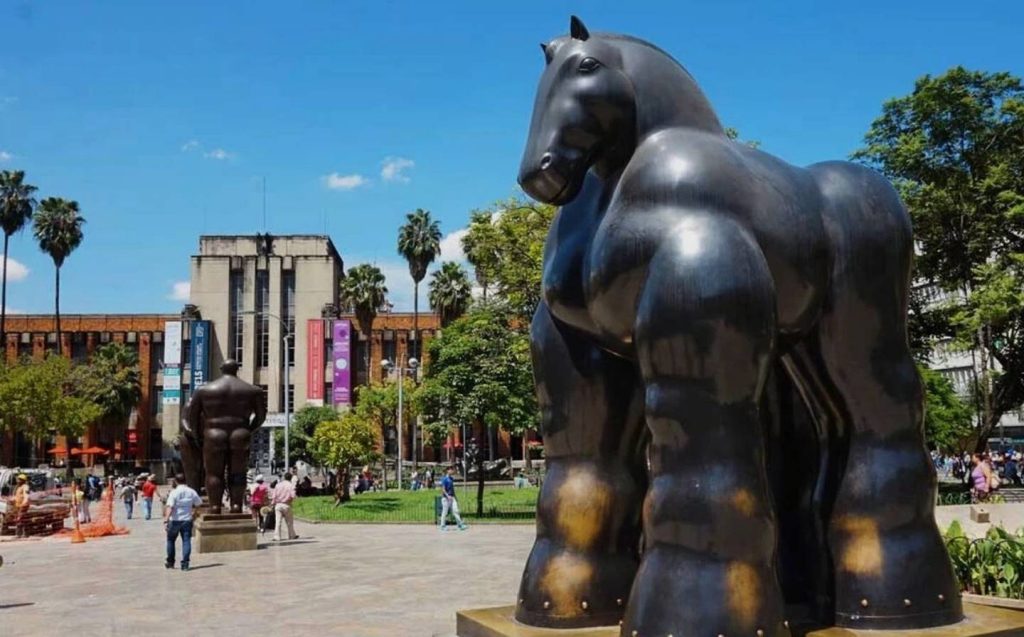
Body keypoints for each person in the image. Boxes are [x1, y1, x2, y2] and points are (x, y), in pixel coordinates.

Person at [164, 473, 202, 571]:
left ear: (175, 481)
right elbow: (198, 503)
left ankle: (170, 562)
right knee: (186, 541)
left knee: (170, 541)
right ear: (186, 480)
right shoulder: (191, 492)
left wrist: (166, 520)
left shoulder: (174, 492)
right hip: (187, 519)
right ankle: (185, 563)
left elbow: (170, 507)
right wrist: (194, 513)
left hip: (175, 520)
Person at [271, 472, 298, 541]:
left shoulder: (278, 485)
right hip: (287, 504)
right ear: (291, 478)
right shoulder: (291, 486)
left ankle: (277, 536)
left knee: (278, 522)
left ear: (284, 477)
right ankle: (292, 535)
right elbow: (293, 496)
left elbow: (274, 496)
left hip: (278, 505)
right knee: (289, 522)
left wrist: (272, 504)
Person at [439, 466, 467, 531]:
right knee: (445, 512)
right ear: (447, 470)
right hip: (445, 498)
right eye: (451, 470)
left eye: (452, 470)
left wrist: (455, 497)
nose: (452, 471)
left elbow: (452, 489)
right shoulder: (444, 479)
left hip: (452, 497)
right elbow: (443, 489)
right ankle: (442, 525)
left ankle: (460, 525)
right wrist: (447, 495)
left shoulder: (451, 479)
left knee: (455, 510)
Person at [13, 474, 31, 538]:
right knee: (22, 519)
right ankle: (26, 534)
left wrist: (24, 504)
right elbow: (18, 496)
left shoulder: (25, 486)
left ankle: (18, 534)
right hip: (18, 505)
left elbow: (26, 496)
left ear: (22, 480)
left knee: (19, 519)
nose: (17, 480)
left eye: (19, 479)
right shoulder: (19, 487)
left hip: (23, 505)